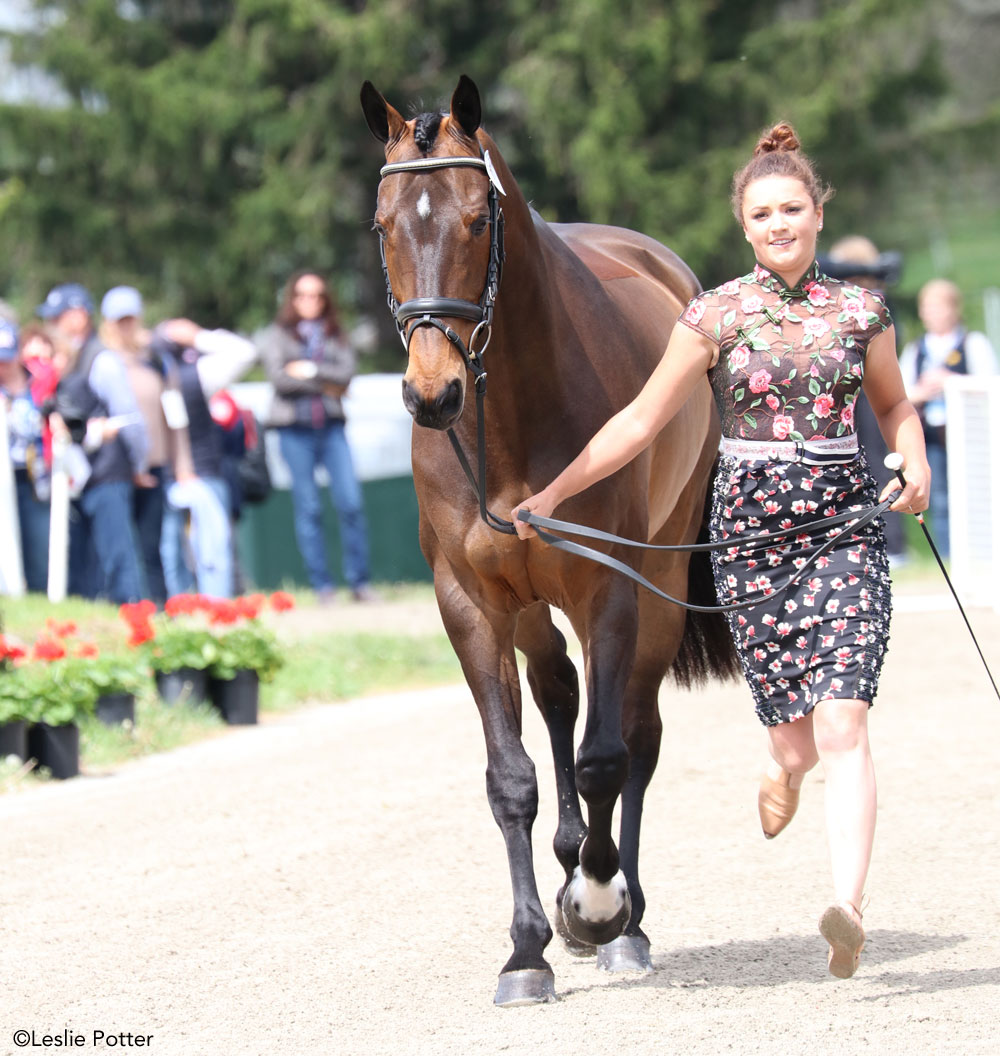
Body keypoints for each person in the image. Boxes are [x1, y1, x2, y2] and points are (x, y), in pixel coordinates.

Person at [512, 123, 930, 979]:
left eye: (793, 208)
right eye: (763, 212)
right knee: (795, 744)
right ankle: (783, 771)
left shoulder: (863, 313)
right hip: (748, 538)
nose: (780, 223)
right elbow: (637, 421)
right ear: (745, 225)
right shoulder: (713, 315)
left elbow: (895, 408)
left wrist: (915, 460)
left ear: (818, 213)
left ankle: (846, 909)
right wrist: (551, 496)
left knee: (846, 720)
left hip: (842, 527)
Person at [257, 270, 375, 603]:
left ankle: (359, 582)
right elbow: (280, 380)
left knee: (350, 504)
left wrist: (307, 370)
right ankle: (322, 586)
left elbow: (347, 375)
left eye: (317, 295)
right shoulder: (278, 335)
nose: (310, 302)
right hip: (294, 432)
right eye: (303, 295)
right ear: (292, 299)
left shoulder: (336, 334)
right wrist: (327, 382)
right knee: (308, 509)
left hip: (333, 429)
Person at [38, 282, 149, 603]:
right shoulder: (67, 360)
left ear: (78, 317)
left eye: (57, 317)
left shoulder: (101, 360)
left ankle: (135, 625)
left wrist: (137, 466)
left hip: (107, 473)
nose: (52, 326)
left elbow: (130, 419)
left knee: (119, 562)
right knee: (87, 570)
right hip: (80, 478)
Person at [100, 285, 195, 606]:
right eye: (119, 320)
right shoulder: (103, 361)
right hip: (116, 468)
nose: (126, 326)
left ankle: (159, 609)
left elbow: (174, 415)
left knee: (153, 546)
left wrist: (182, 464)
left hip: (154, 465)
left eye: (130, 319)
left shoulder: (156, 360)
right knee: (120, 546)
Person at [150, 317, 258, 599]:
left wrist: (195, 337)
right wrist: (197, 337)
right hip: (169, 477)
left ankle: (213, 612)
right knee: (177, 556)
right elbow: (244, 352)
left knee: (213, 554)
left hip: (198, 472)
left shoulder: (192, 374)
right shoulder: (163, 374)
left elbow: (245, 352)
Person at [821, 236, 908, 566]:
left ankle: (893, 541)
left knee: (881, 458)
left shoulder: (877, 304)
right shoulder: (827, 299)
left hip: (871, 391)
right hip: (839, 392)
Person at [898, 279, 999, 559]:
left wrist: (951, 382)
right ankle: (949, 556)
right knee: (940, 498)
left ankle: (983, 555)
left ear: (953, 309)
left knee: (976, 495)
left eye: (938, 307)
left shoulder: (972, 343)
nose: (932, 314)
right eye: (927, 307)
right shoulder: (917, 349)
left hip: (969, 433)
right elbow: (902, 395)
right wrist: (924, 391)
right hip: (932, 433)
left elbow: (989, 385)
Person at [0, 318, 50, 592]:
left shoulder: (41, 384)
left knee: (40, 554)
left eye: (6, 360)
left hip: (35, 481)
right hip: (2, 481)